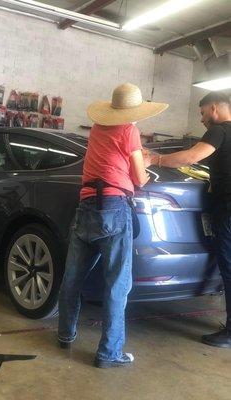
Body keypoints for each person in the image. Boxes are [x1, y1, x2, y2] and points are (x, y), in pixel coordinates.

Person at [57, 83, 168, 368]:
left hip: (86, 207)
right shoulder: (129, 130)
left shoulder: (98, 128)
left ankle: (65, 334)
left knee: (72, 278)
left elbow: (111, 155)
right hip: (115, 209)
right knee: (117, 284)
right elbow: (140, 178)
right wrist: (145, 161)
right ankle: (109, 353)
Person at [144, 91, 231, 348]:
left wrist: (156, 159)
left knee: (228, 267)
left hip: (228, 209)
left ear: (214, 108)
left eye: (203, 113)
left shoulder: (219, 131)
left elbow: (193, 157)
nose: (202, 119)